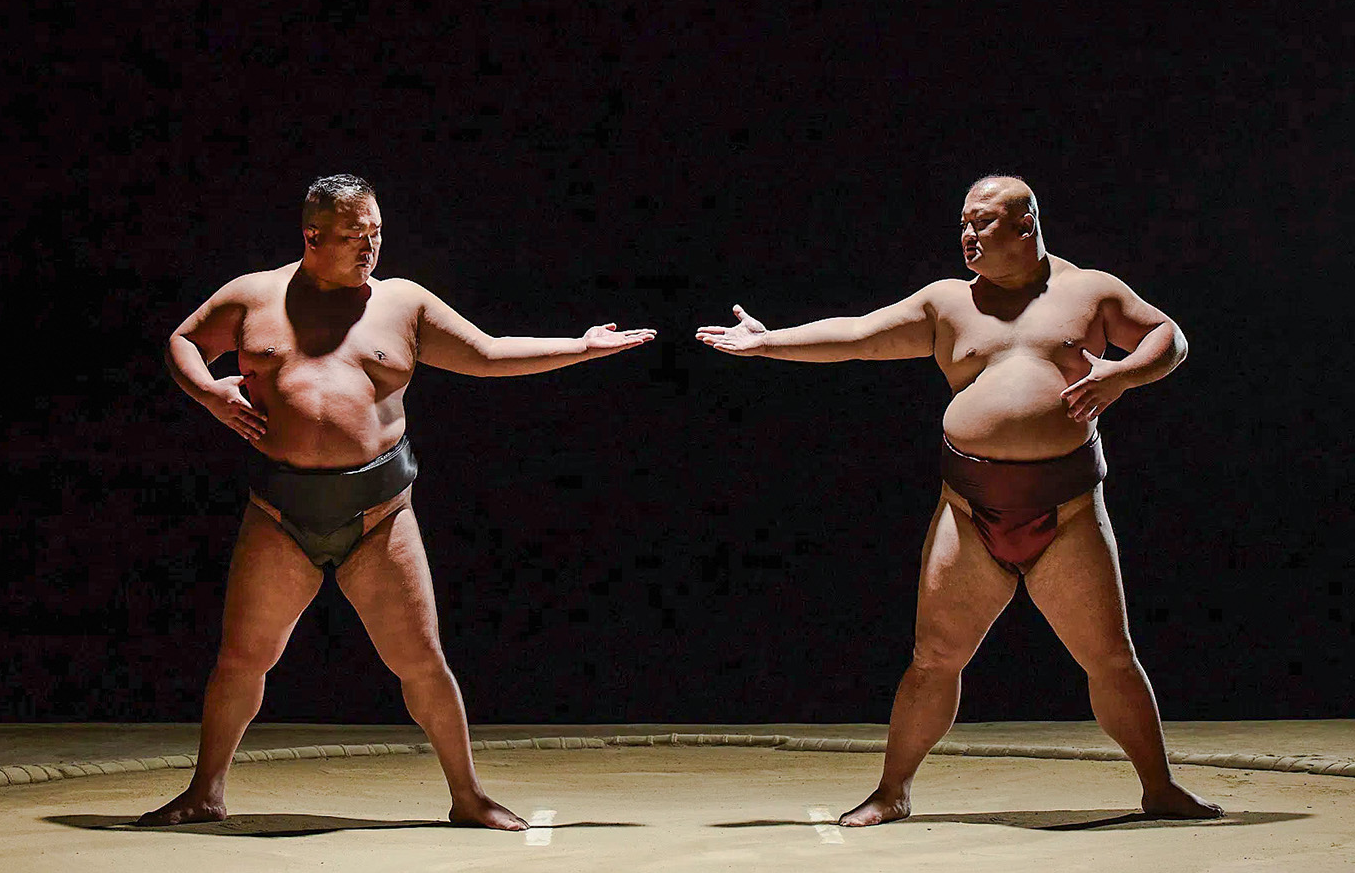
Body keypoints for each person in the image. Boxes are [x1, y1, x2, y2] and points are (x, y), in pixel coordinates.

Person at [697, 175, 1221, 825]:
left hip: (1067, 510)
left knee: (1111, 657)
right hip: (968, 510)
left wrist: (1123, 374)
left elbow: (1168, 336)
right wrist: (768, 341)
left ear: (1025, 225)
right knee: (934, 658)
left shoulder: (1090, 291)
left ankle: (1159, 786)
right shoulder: (947, 303)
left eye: (983, 223)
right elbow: (860, 336)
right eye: (963, 224)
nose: (967, 235)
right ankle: (892, 792)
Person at [141, 174, 655, 830]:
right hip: (278, 514)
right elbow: (183, 341)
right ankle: (205, 791)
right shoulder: (253, 295)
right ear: (313, 236)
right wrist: (211, 395)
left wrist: (579, 347)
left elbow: (490, 355)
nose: (371, 247)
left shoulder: (403, 303)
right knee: (243, 658)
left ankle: (468, 795)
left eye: (377, 232)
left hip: (379, 515)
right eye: (356, 234)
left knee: (420, 661)